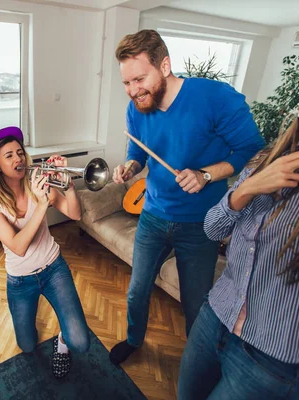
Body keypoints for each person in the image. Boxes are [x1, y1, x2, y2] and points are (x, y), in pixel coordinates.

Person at [177, 24, 299, 400]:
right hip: (216, 317)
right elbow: (212, 228)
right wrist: (248, 187)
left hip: (274, 359)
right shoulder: (267, 159)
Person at [109, 29, 266, 365]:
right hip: (152, 215)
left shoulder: (216, 98)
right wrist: (130, 167)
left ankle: (197, 360)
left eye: (139, 79)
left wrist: (206, 174)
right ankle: (135, 340)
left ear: (164, 65)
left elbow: (252, 149)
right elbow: (138, 148)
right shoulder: (137, 107)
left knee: (196, 302)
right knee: (137, 290)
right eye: (126, 83)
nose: (133, 91)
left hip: (201, 223)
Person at [0, 127, 90, 379]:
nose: (18, 159)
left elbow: (76, 214)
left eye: (20, 152)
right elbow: (18, 247)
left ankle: (62, 342)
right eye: (8, 155)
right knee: (27, 345)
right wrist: (42, 204)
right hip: (20, 280)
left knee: (80, 343)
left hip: (54, 269)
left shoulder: (36, 184)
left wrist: (68, 186)